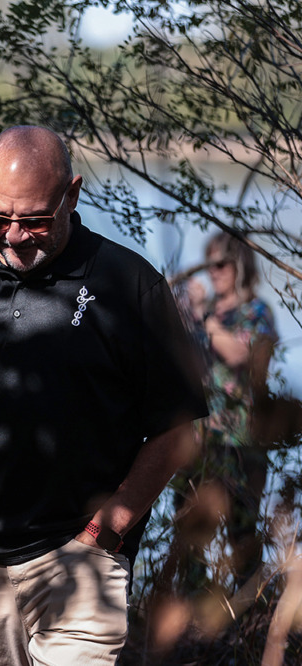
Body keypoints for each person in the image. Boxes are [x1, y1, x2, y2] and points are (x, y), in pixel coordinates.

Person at [0, 126, 208, 666]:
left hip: (80, 559)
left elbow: (179, 429)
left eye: (34, 219)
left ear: (72, 195)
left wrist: (108, 528)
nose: (13, 236)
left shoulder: (127, 285)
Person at [170, 231, 278, 593]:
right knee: (190, 533)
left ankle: (252, 623)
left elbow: (241, 356)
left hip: (241, 442)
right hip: (198, 442)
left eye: (220, 264)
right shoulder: (203, 314)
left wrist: (204, 317)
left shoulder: (256, 312)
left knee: (242, 534)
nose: (213, 272)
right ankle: (193, 624)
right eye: (208, 264)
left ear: (239, 266)